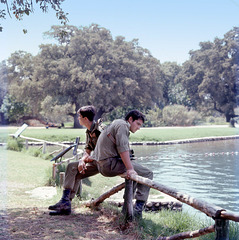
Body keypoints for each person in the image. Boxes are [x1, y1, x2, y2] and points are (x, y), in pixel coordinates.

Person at [91, 109, 153, 218]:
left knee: (134, 174)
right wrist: (129, 168)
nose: (139, 127)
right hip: (108, 165)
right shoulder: (123, 126)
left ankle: (127, 208)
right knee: (147, 173)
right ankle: (138, 209)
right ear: (130, 119)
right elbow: (122, 149)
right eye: (138, 124)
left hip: (101, 164)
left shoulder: (116, 123)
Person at [48, 105, 102, 215]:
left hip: (104, 163)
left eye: (79, 116)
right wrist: (82, 160)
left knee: (71, 167)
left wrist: (87, 160)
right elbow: (88, 149)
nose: (78, 119)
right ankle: (66, 203)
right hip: (96, 161)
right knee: (75, 170)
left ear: (85, 119)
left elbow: (106, 151)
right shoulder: (89, 130)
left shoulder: (100, 130)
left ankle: (65, 202)